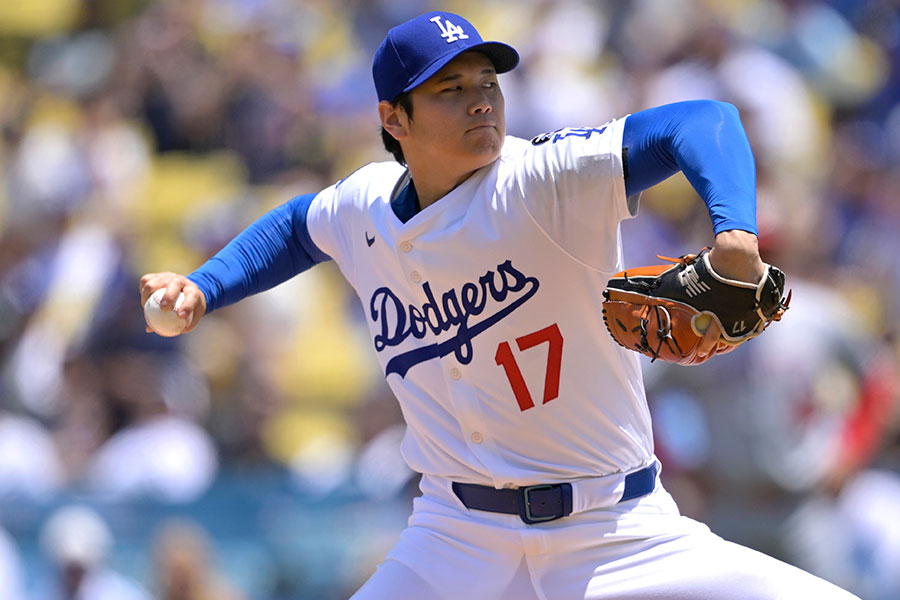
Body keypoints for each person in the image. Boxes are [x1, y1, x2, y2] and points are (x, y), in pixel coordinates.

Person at [140, 11, 858, 599]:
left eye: (487, 81)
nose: (481, 98)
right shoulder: (364, 206)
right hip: (455, 540)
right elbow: (298, 226)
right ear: (395, 119)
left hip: (616, 533)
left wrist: (734, 233)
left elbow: (704, 121)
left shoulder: (541, 180)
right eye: (450, 89)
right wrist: (205, 285)